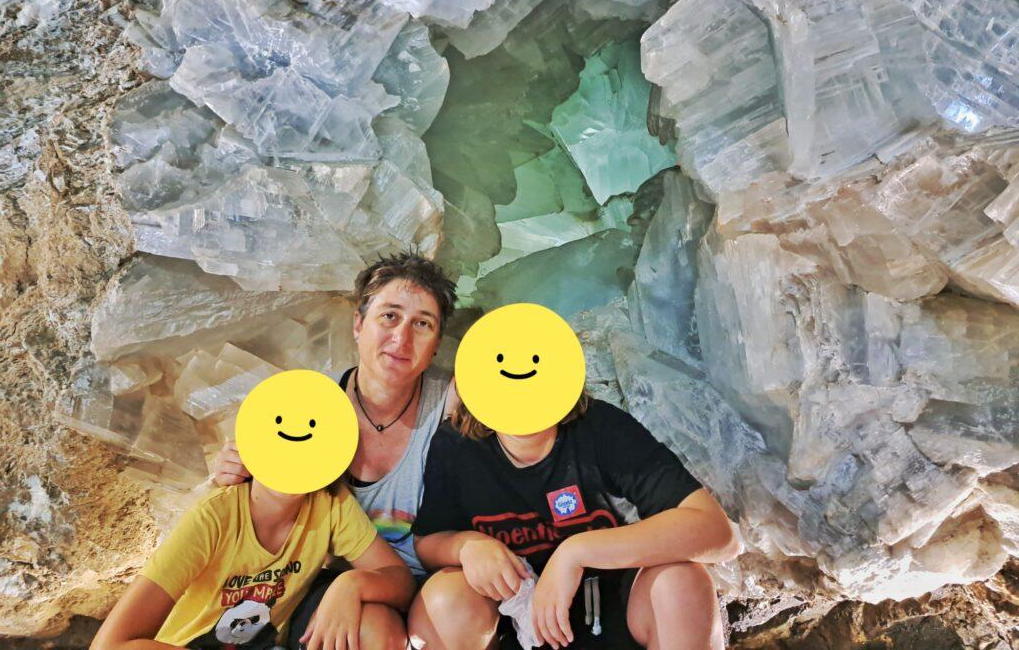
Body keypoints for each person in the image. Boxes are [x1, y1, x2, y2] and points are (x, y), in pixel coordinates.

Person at [212, 252, 460, 648]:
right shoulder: (308, 407)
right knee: (372, 630)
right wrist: (236, 474)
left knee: (459, 610)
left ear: (436, 345)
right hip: (338, 583)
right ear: (359, 325)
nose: (402, 338)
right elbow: (254, 512)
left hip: (433, 581)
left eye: (423, 324)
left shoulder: (451, 405)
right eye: (389, 316)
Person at [407, 391, 742, 650]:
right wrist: (467, 546)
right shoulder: (456, 446)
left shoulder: (601, 427)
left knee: (681, 581)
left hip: (614, 610)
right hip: (516, 622)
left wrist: (575, 552)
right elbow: (428, 542)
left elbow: (717, 533)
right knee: (444, 597)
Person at [90, 474, 415, 650]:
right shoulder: (214, 517)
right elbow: (109, 645)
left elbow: (399, 580)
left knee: (377, 625)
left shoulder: (329, 503)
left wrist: (352, 583)